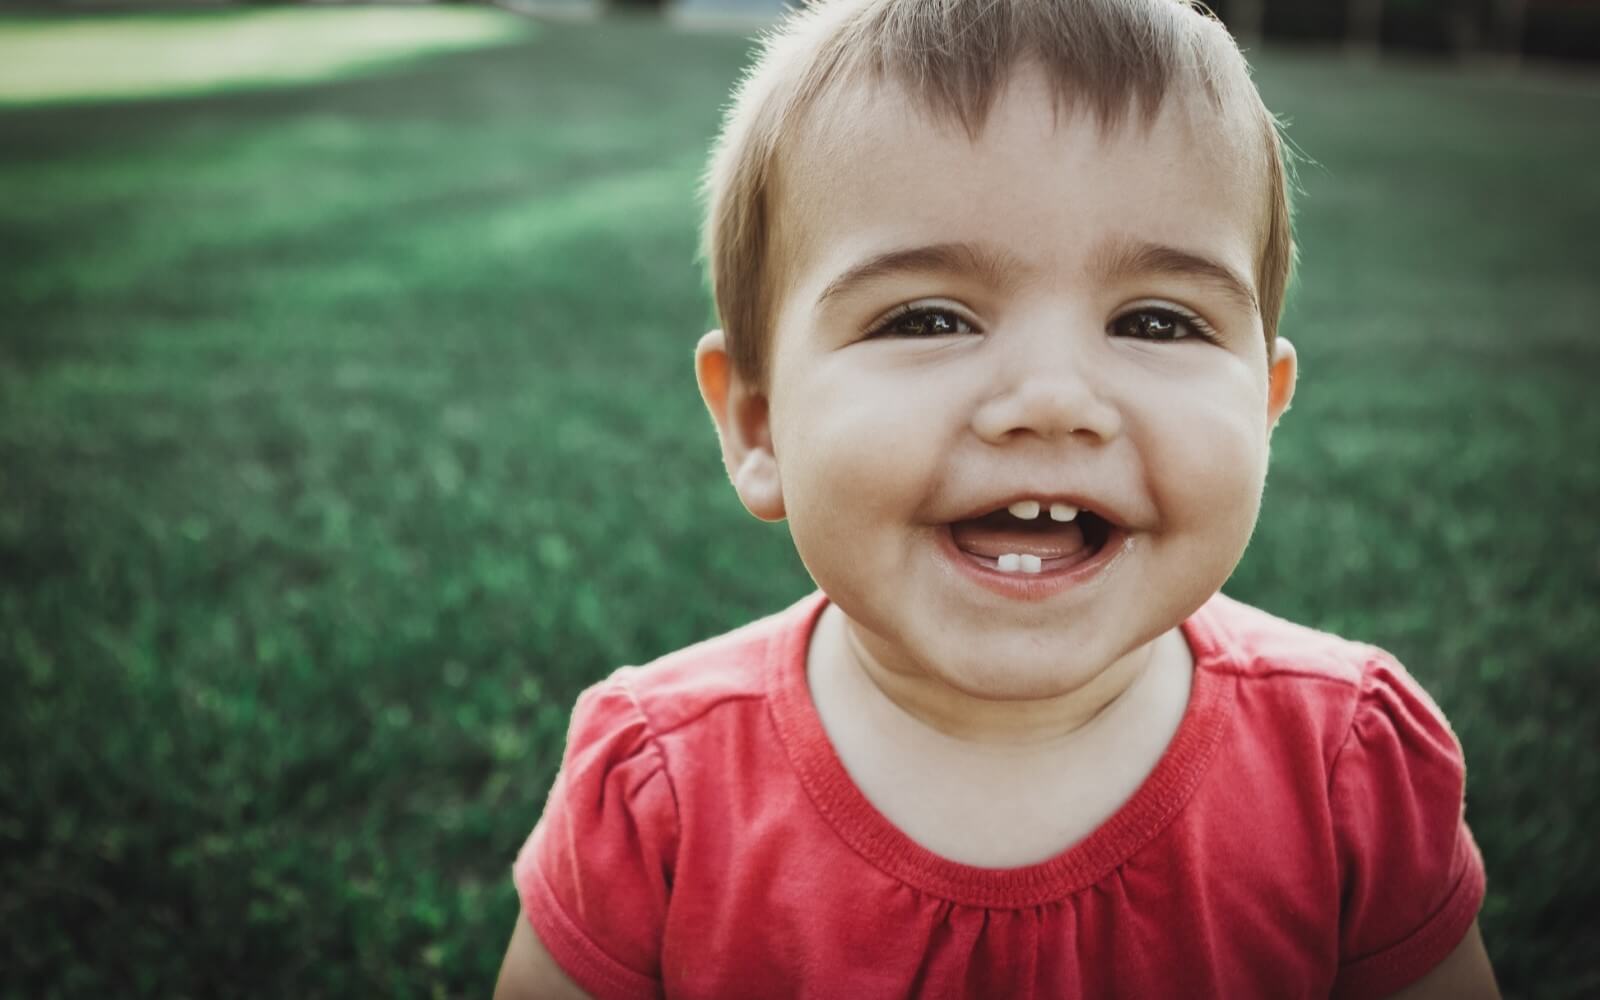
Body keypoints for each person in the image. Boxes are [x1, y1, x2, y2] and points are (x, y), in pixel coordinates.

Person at [495, 0, 1498, 996]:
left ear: (1265, 404)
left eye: (1155, 322)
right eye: (928, 317)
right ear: (757, 425)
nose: (1052, 400)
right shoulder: (653, 788)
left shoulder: (1348, 769)